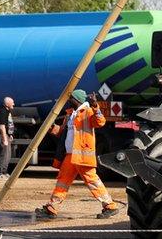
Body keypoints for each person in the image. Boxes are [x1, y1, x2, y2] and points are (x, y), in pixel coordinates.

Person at [36, 89, 119, 219]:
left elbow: (100, 122)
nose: (69, 100)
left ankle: (110, 205)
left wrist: (96, 106)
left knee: (92, 180)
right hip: (71, 155)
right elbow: (62, 133)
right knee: (62, 181)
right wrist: (51, 127)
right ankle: (52, 207)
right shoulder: (70, 114)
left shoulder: (88, 111)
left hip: (82, 155)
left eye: (71, 98)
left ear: (77, 100)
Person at [0, 96, 15, 180]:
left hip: (6, 135)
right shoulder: (2, 112)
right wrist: (4, 138)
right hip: (1, 135)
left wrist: (10, 134)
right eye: (12, 102)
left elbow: (8, 124)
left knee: (8, 154)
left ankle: (4, 172)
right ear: (7, 104)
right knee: (2, 154)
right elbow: (2, 127)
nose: (14, 104)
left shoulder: (7, 111)